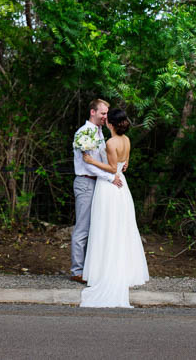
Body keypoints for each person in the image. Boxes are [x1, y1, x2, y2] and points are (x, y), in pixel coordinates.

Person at [79, 108, 149, 307]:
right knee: (121, 227)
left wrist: (91, 160)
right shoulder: (126, 140)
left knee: (106, 227)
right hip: (122, 185)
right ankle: (123, 269)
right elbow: (124, 162)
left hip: (109, 186)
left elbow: (111, 168)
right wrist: (123, 165)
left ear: (110, 124)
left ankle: (104, 271)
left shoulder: (111, 143)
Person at [70, 99, 122, 284]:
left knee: (97, 227)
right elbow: (88, 164)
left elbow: (102, 159)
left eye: (107, 113)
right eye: (103, 113)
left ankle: (91, 268)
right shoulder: (84, 133)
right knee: (82, 228)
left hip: (99, 184)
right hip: (86, 182)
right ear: (93, 112)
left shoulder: (99, 132)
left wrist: (116, 168)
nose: (105, 117)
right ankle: (77, 270)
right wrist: (110, 177)